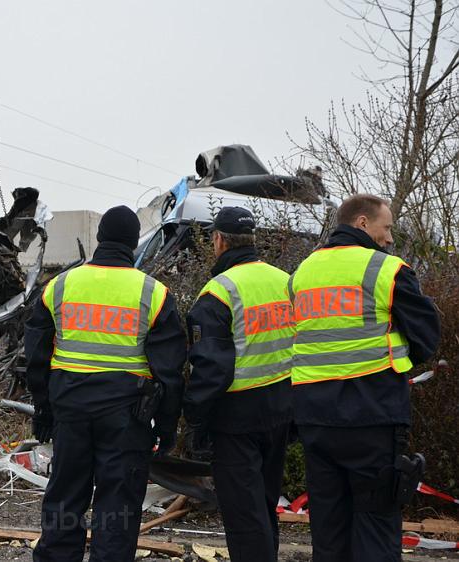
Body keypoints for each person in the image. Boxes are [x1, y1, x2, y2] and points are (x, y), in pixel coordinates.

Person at [24, 205, 187, 562]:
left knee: (65, 496)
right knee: (118, 504)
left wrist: (43, 408)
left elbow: (35, 354)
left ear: (100, 239)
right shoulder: (153, 294)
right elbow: (170, 371)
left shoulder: (60, 286)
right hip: (127, 418)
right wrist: (168, 425)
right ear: (132, 243)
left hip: (71, 409)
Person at [289, 194, 440, 562]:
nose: (389, 238)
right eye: (386, 228)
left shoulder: (301, 274)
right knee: (375, 522)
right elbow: (427, 338)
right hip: (372, 415)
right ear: (362, 224)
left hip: (314, 418)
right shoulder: (386, 270)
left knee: (328, 525)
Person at [182, 206, 295, 562]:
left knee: (244, 516)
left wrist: (195, 421)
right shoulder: (285, 280)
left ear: (218, 240)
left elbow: (212, 369)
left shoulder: (219, 292)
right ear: (253, 239)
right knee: (264, 504)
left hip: (237, 417)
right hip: (283, 405)